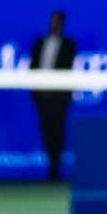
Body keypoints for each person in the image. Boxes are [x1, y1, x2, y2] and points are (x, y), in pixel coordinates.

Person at [28, 10, 77, 181]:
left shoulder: (69, 44)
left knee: (58, 131)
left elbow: (67, 69)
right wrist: (37, 88)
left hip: (59, 98)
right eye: (53, 21)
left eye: (58, 21)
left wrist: (54, 89)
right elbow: (33, 66)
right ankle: (50, 166)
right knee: (45, 130)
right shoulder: (39, 43)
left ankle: (55, 170)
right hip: (41, 97)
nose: (55, 24)